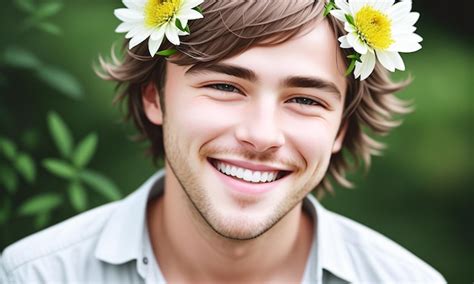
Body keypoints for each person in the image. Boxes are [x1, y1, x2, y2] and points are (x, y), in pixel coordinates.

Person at [1, 0, 446, 283]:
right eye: (226, 87)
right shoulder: (34, 275)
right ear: (155, 97)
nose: (261, 135)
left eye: (306, 99)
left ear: (341, 130)